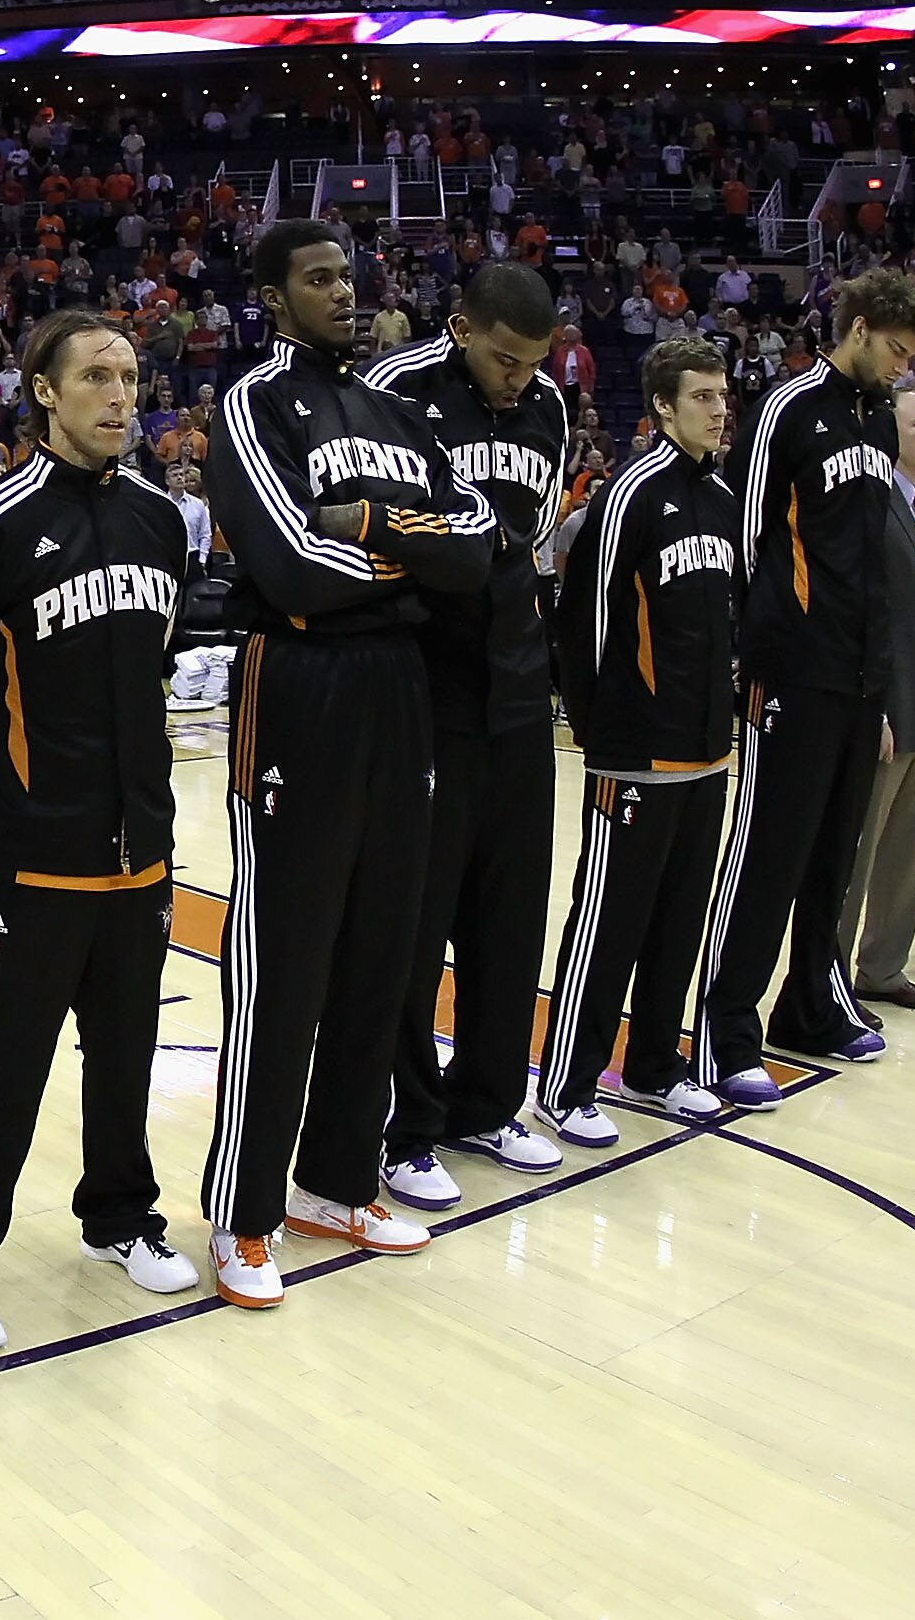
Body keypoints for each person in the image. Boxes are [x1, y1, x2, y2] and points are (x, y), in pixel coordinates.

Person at [198, 219, 499, 1307]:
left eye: (350, 277)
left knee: (386, 951)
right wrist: (406, 562)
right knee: (287, 962)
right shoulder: (251, 402)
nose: (345, 292)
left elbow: (477, 552)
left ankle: (337, 1180)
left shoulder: (397, 408)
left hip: (401, 687)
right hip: (303, 681)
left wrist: (375, 525)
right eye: (319, 279)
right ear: (273, 297)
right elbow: (289, 563)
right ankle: (244, 1213)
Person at [0, 310, 196, 1357]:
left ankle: (120, 1218)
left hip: (139, 854)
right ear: (43, 394)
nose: (121, 394)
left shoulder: (163, 520)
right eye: (97, 378)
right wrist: (8, 812)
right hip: (27, 859)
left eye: (131, 375)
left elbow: (155, 665)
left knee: (126, 1060)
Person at [693, 267, 915, 1110]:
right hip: (791, 667)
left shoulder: (876, 423)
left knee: (835, 852)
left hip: (859, 671)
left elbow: (867, 561)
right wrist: (754, 658)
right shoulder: (790, 407)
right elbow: (749, 533)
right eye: (897, 350)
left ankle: (811, 1003)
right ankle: (726, 1029)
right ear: (860, 329)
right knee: (769, 850)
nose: (903, 367)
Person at [358, 263, 570, 1212]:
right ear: (460, 328)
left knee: (510, 906)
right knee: (419, 913)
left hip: (518, 687)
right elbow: (386, 540)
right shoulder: (396, 392)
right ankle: (405, 1127)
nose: (518, 378)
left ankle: (488, 1105)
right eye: (504, 359)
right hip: (427, 687)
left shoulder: (551, 407)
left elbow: (525, 547)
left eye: (532, 363)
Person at [537, 339, 740, 1144]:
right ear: (662, 407)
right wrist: (601, 733)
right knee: (608, 920)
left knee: (679, 916)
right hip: (636, 751)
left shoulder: (724, 499)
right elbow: (581, 625)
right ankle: (566, 1082)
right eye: (702, 397)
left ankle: (657, 1066)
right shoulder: (626, 497)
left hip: (706, 750)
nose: (719, 408)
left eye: (723, 395)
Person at [831, 390, 915, 1015]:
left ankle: (882, 968)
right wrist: (873, 708)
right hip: (885, 708)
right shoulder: (876, 505)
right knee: (860, 850)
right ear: (890, 433)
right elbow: (865, 614)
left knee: (909, 851)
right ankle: (827, 972)